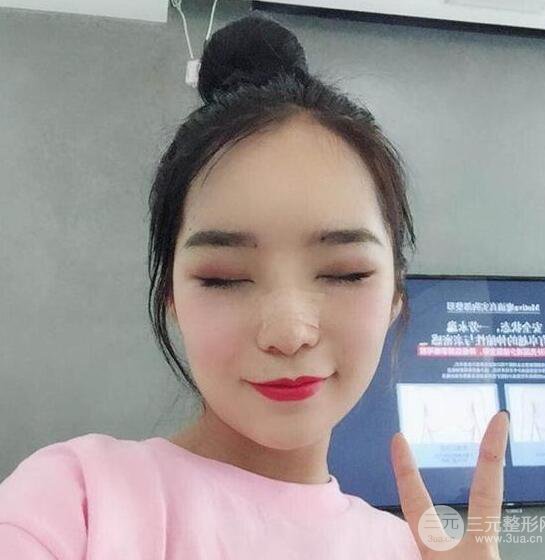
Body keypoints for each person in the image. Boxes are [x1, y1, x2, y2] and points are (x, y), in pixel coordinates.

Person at [0, 11, 509, 559]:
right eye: (224, 279)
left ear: (394, 298)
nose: (288, 333)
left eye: (345, 273)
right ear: (173, 299)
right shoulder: (72, 505)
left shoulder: (409, 551)